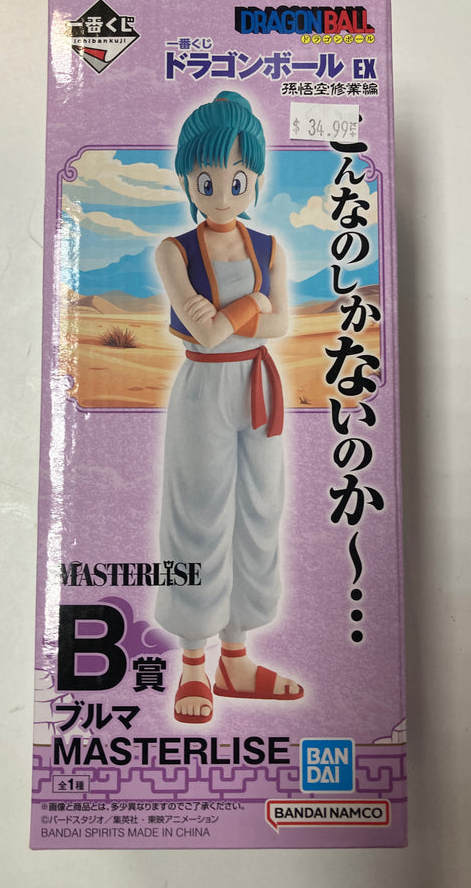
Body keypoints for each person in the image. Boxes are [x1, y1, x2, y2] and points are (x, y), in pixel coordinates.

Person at [155, 91, 303, 723]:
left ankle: (235, 659)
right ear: (189, 177)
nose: (221, 193)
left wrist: (242, 318)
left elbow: (281, 325)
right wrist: (251, 307)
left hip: (258, 387)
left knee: (258, 512)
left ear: (255, 180)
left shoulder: (269, 247)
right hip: (203, 389)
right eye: (207, 179)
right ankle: (194, 661)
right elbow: (208, 333)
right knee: (198, 515)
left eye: (237, 180)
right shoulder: (173, 250)